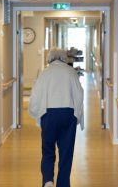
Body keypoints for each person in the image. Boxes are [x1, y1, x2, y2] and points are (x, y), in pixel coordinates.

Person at [28, 48, 84, 187]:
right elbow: (79, 94)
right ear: (64, 58)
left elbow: (35, 96)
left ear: (50, 58)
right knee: (66, 153)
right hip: (68, 114)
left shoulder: (45, 73)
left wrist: (37, 114)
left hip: (49, 114)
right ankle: (63, 184)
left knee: (47, 150)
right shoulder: (71, 72)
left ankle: (48, 180)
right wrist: (78, 116)